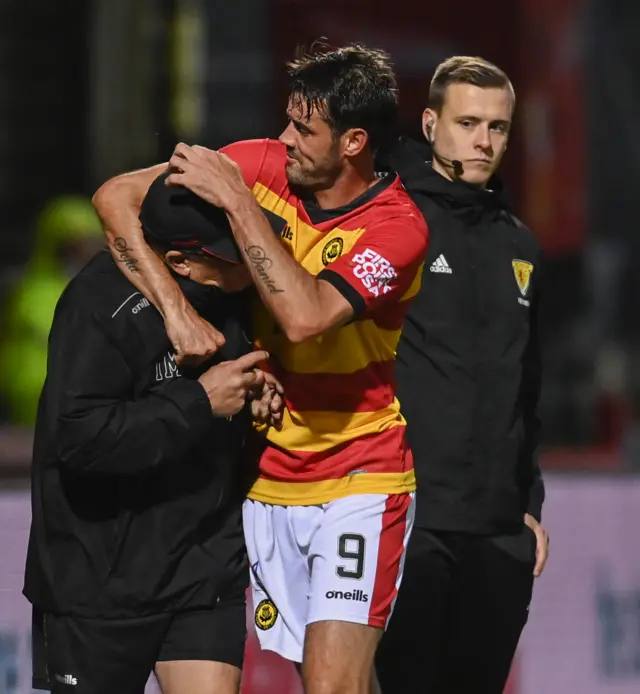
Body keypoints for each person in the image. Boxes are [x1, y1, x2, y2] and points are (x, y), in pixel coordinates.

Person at [92, 44, 429, 694]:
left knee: (333, 684)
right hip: (266, 476)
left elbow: (305, 316)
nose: (284, 140)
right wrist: (179, 317)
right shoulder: (259, 162)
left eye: (304, 129)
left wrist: (241, 206)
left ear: (354, 141)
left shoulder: (397, 230)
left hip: (359, 473)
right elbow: (115, 198)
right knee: (334, 680)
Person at [24, 172, 285, 694]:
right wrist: (200, 402)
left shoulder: (233, 293)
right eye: (231, 251)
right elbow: (79, 440)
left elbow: (227, 390)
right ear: (181, 262)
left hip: (204, 568)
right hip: (98, 581)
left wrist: (254, 393)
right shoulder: (95, 305)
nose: (252, 257)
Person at [374, 56, 550, 694]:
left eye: (498, 127)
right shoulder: (392, 226)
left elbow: (527, 391)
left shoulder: (520, 246)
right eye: (468, 122)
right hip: (412, 520)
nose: (484, 141)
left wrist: (526, 506)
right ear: (430, 123)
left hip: (499, 533)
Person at [0, 196, 103, 425]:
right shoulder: (33, 290)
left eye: (89, 243)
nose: (84, 252)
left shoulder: (98, 289)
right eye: (74, 246)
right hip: (32, 403)